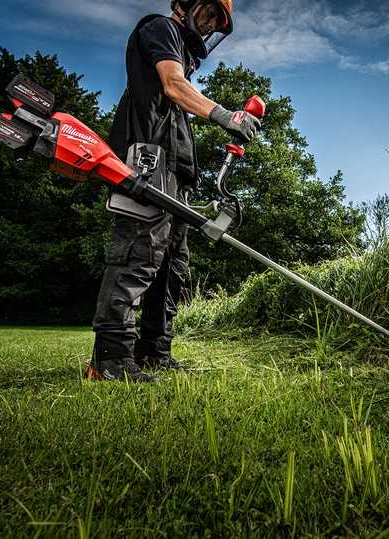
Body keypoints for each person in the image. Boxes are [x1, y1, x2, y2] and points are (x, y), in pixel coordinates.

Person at [88, 0, 261, 382]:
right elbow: (173, 84)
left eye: (218, 21)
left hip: (176, 173)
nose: (212, 24)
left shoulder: (183, 60)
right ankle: (110, 359)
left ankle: (154, 351)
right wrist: (224, 115)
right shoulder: (160, 29)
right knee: (139, 254)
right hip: (147, 160)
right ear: (187, 3)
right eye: (210, 12)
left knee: (171, 265)